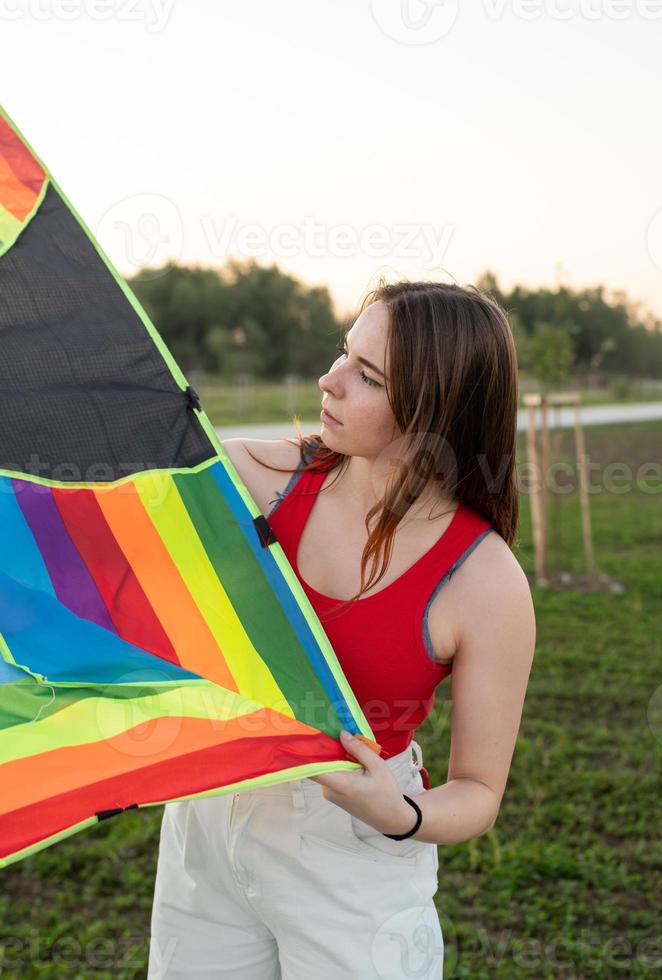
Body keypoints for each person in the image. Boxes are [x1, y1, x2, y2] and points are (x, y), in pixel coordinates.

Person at [147, 279, 536, 979]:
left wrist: (403, 813)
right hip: (211, 812)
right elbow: (96, 497)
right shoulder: (250, 478)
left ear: (433, 409)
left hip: (353, 840)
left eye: (367, 375)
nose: (327, 381)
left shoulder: (487, 583)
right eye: (342, 353)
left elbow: (478, 791)